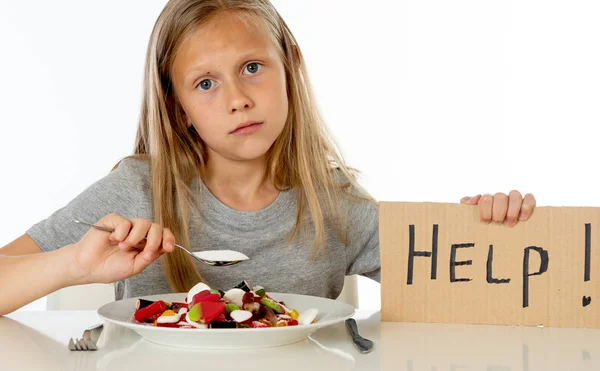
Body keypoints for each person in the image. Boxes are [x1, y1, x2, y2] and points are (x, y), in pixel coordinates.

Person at [0, 0, 536, 316]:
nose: (237, 98)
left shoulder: (338, 205)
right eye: (205, 83)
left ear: (290, 66)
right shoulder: (138, 189)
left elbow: (466, 297)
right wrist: (73, 265)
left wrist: (493, 231)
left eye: (252, 67)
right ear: (177, 106)